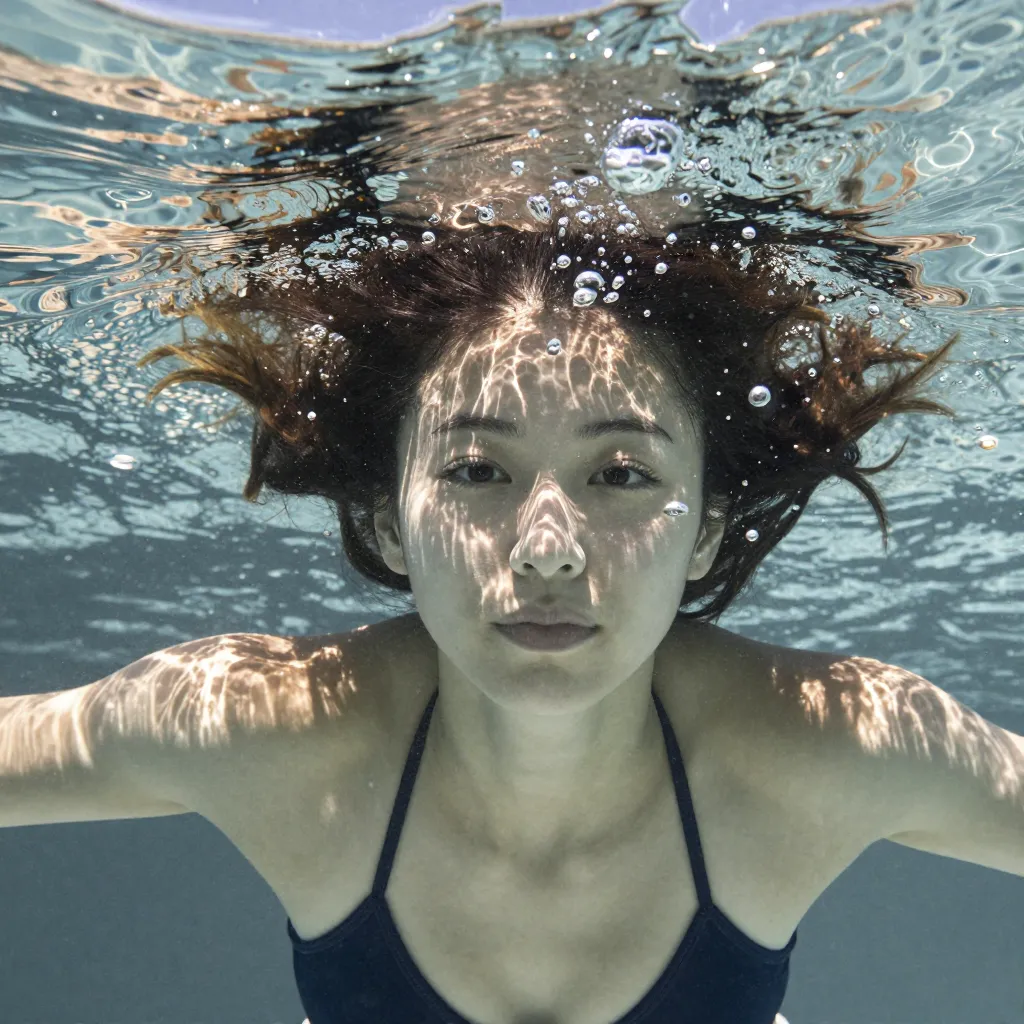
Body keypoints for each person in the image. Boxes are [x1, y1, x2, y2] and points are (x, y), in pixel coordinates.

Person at [2, 224, 1021, 1024]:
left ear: (705, 529)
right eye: (476, 469)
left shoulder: (827, 748)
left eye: (619, 474)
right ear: (387, 518)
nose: (546, 547)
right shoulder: (263, 729)